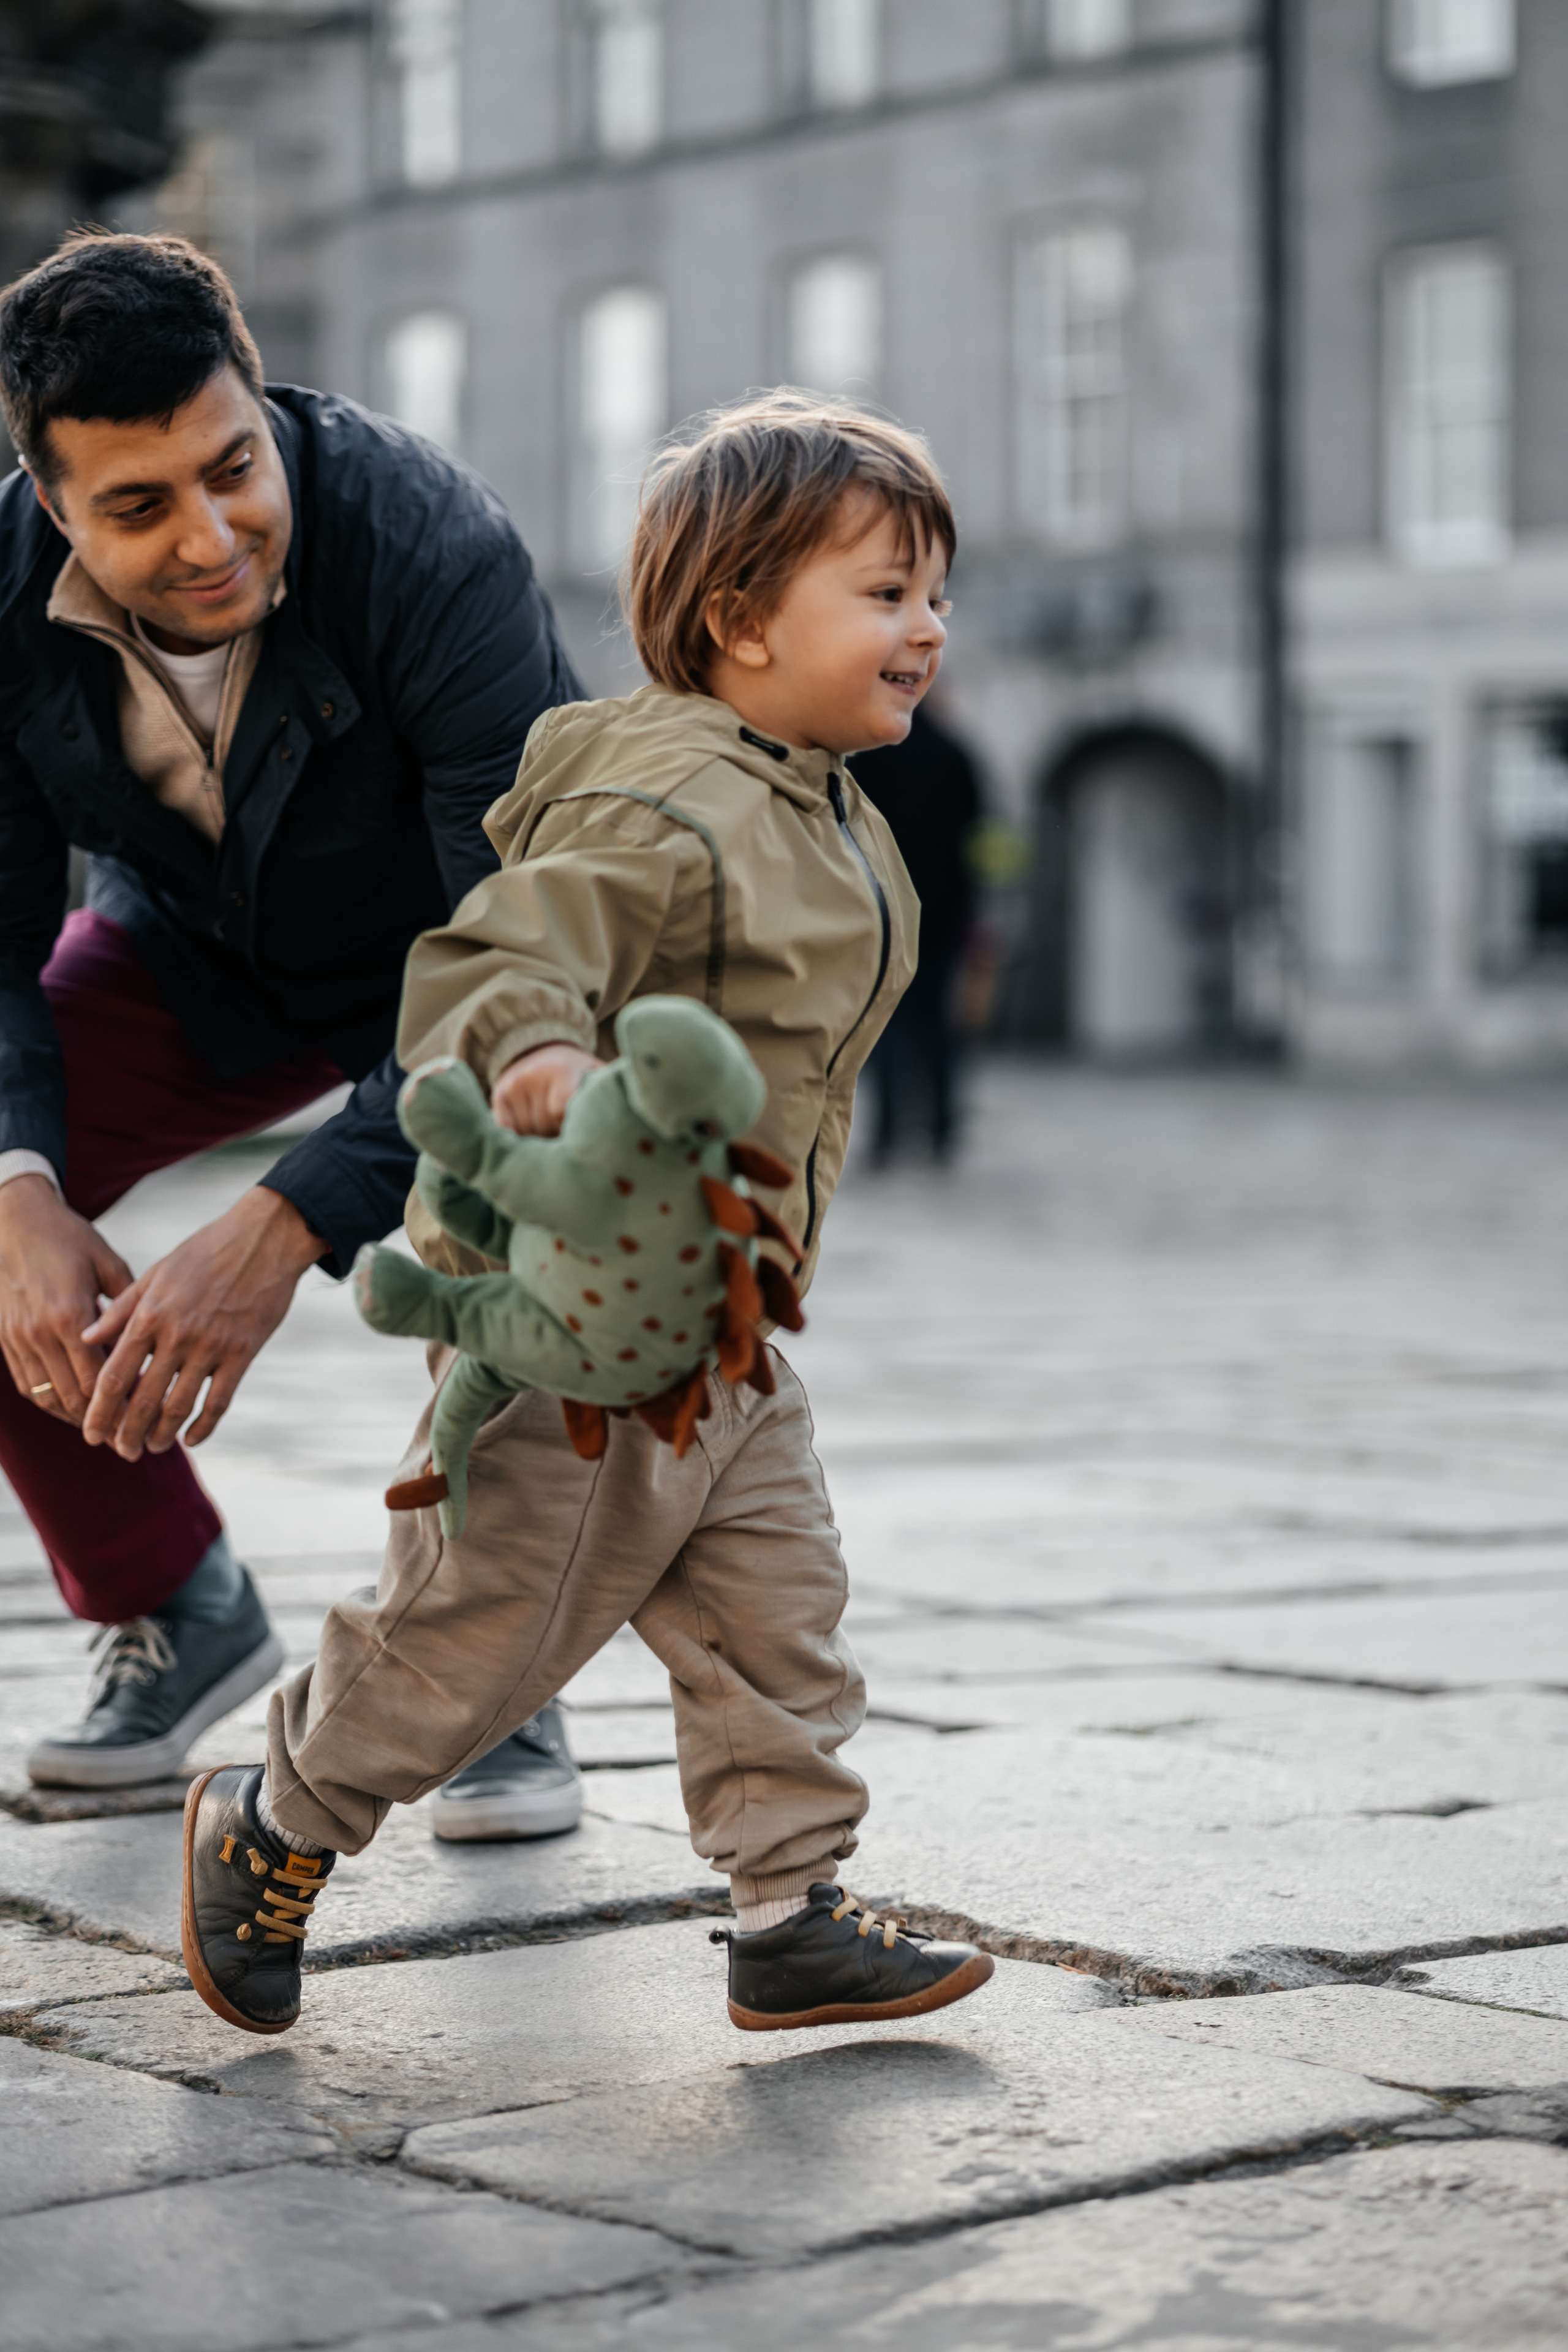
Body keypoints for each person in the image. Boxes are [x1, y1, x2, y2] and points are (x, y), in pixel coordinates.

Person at [181, 392, 997, 2038]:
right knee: (469, 1636)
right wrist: (543, 1047)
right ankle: (275, 1819)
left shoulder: (825, 805)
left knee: (778, 1612)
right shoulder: (669, 803)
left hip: (728, 1332)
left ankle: (788, 1911)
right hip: (580, 1325)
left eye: (934, 591)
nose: (929, 627)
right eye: (887, 591)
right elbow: (501, 953)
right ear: (741, 623)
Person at [0, 231, 586, 1838]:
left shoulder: (429, 538)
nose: (211, 536)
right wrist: (21, 1189)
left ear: (260, 403)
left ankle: (490, 1679)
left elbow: (515, 958)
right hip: (201, 956)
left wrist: (271, 1237)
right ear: (53, 504)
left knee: (526, 1199)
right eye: (139, 506)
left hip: (485, 960)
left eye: (232, 466)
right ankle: (174, 1602)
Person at [853, 697, 982, 1164]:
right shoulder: (956, 754)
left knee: (887, 1024)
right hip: (946, 912)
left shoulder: (874, 759)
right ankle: (943, 1131)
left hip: (884, 911)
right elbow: (976, 831)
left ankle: (887, 1134)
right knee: (939, 1024)